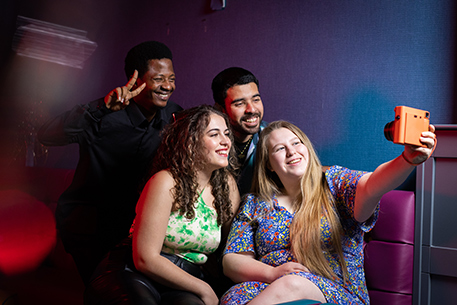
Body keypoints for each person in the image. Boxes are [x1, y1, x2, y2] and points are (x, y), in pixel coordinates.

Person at [221, 120, 436, 305]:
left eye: (296, 143)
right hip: (268, 285)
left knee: (292, 283)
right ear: (268, 164)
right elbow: (232, 261)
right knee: (232, 297)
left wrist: (406, 160)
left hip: (335, 292)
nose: (291, 151)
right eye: (279, 148)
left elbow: (372, 186)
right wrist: (272, 273)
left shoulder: (334, 183)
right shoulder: (256, 203)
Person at [37, 41, 183, 285]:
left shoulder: (174, 116)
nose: (168, 86)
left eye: (172, 78)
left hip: (137, 227)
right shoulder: (104, 113)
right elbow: (46, 135)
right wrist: (100, 109)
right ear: (135, 79)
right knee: (105, 291)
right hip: (89, 227)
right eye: (159, 79)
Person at [84, 105, 241, 305]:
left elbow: (230, 248)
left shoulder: (226, 186)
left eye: (226, 134)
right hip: (131, 272)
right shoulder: (166, 181)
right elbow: (145, 258)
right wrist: (204, 289)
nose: (225, 141)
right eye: (214, 134)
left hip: (183, 281)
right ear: (190, 142)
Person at [211, 67, 267, 195]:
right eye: (240, 103)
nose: (251, 109)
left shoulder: (273, 138)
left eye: (256, 99)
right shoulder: (207, 143)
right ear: (220, 109)